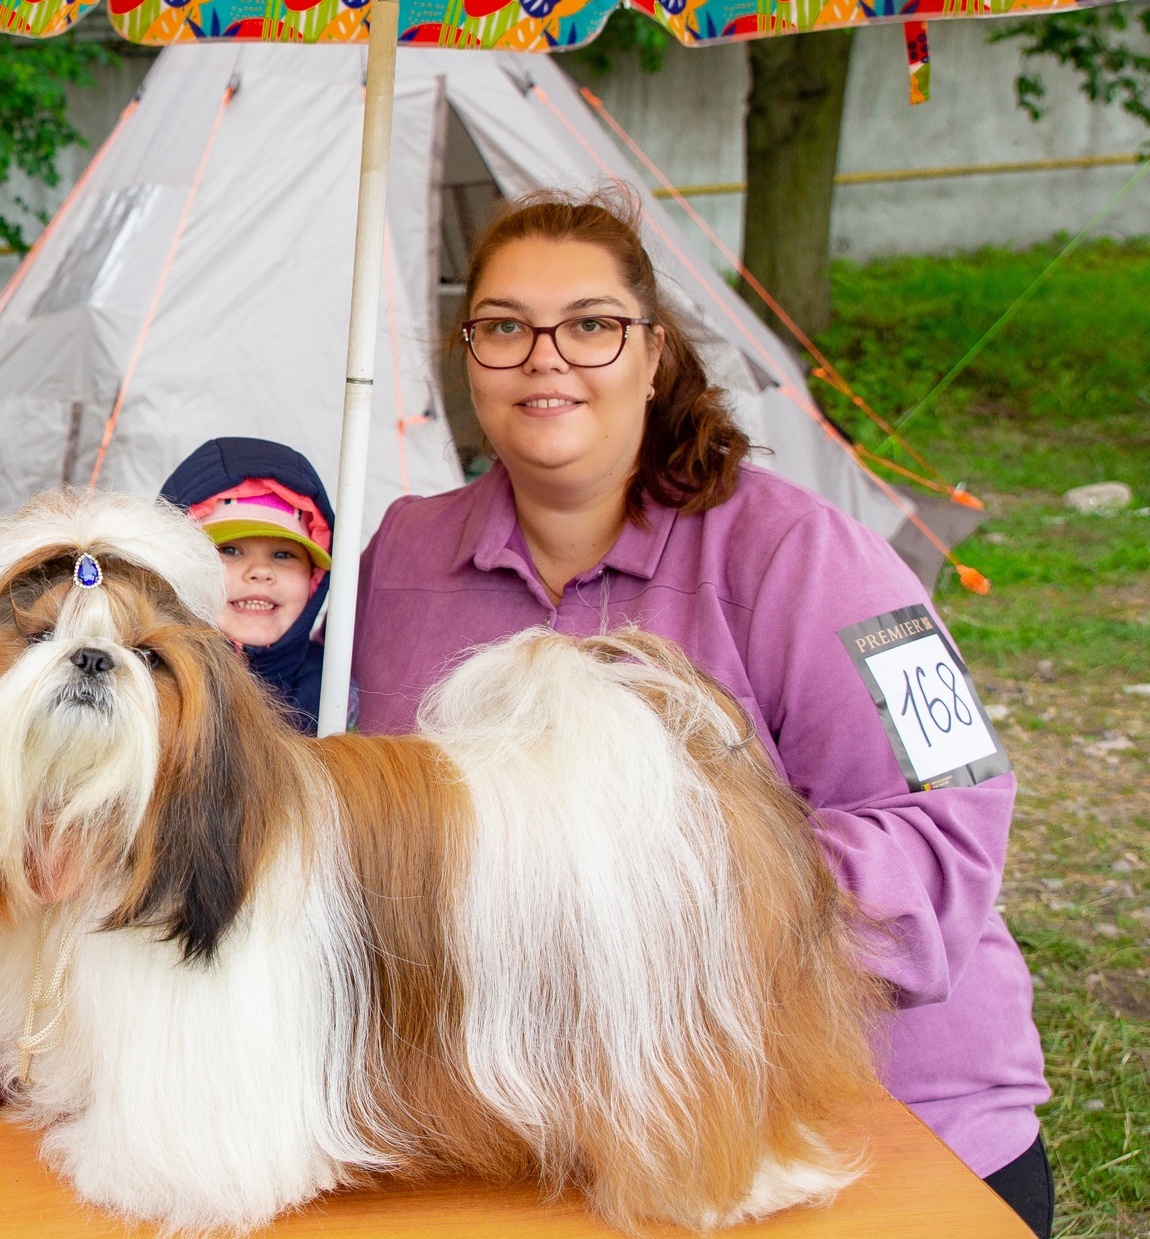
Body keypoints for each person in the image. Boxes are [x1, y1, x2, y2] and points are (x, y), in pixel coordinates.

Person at [352, 190, 1052, 1237]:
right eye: (501, 326)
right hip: (537, 1137)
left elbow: (954, 828)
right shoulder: (400, 556)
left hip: (848, 1126)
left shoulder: (818, 557)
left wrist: (661, 912)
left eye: (589, 324)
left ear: (652, 353)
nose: (543, 357)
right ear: (467, 357)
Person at [160, 438, 337, 734]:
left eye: (284, 554)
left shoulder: (337, 696)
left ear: (314, 579)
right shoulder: (145, 688)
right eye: (230, 550)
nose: (261, 571)